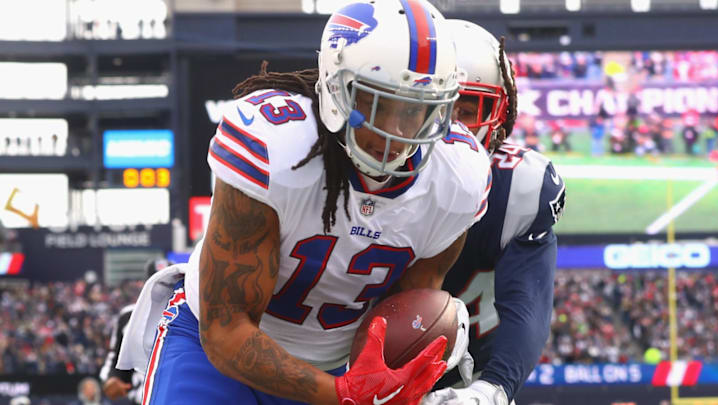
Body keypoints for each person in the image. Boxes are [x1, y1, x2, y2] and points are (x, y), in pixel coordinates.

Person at [118, 1, 491, 404]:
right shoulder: (276, 148)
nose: (398, 131)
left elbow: (408, 308)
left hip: (332, 366)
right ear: (338, 88)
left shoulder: (458, 177)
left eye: (417, 110)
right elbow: (226, 329)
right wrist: (340, 395)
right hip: (208, 354)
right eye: (380, 104)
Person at [423, 20, 566, 405]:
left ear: (499, 117)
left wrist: (492, 390)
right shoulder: (351, 180)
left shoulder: (519, 187)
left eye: (464, 110)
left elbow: (526, 303)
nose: (445, 129)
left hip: (473, 372)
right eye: (429, 107)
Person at [99, 259, 173, 404]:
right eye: (157, 282)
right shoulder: (129, 315)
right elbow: (116, 356)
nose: (163, 289)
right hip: (140, 397)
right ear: (147, 284)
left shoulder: (191, 312)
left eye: (168, 282)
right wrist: (111, 379)